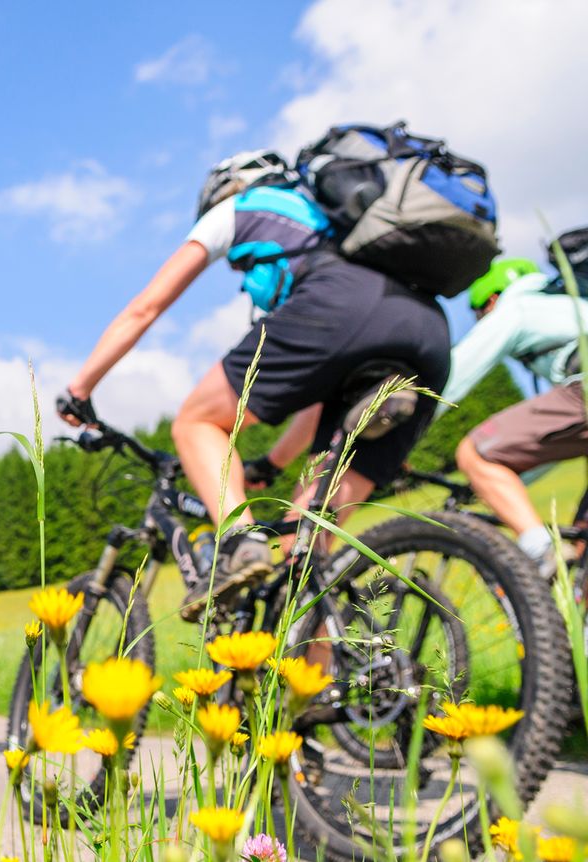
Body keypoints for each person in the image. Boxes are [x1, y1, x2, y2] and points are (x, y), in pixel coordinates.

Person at [58, 150, 451, 621]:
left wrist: (81, 387)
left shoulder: (245, 205)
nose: (245, 284)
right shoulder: (336, 224)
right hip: (429, 332)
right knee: (306, 551)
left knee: (196, 422)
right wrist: (271, 463)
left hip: (337, 308)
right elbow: (320, 398)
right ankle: (319, 691)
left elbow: (147, 307)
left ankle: (241, 541)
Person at [445, 258, 588, 576]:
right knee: (584, 539)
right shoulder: (569, 304)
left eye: (479, 314)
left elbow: (452, 379)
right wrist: (495, 484)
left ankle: (542, 553)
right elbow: (551, 442)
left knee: (474, 453)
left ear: (492, 300)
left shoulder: (518, 308)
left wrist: (397, 431)